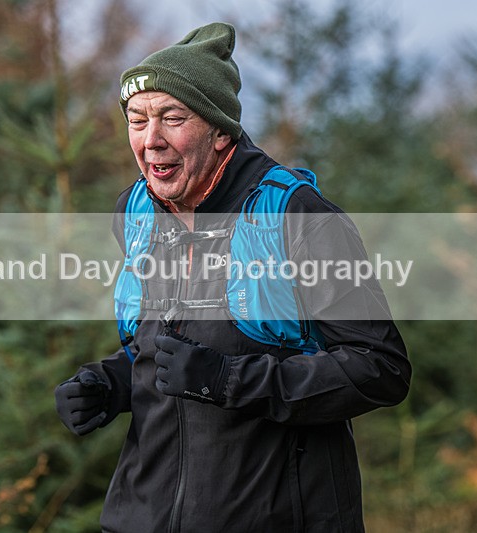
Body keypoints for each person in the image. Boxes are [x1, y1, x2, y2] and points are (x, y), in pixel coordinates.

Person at [55, 22, 411, 533]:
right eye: (137, 120)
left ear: (221, 131)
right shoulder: (135, 213)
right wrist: (112, 383)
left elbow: (380, 368)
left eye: (172, 118)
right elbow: (164, 353)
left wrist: (230, 381)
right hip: (142, 517)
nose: (151, 140)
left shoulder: (296, 216)